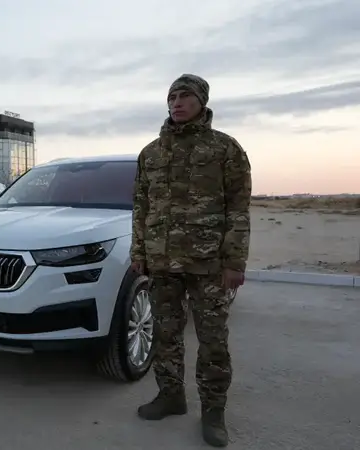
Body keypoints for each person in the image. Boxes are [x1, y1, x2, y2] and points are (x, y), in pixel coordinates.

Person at [130, 74, 251, 447]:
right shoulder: (151, 153)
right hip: (162, 262)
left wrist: (235, 262)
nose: (177, 103)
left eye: (185, 96)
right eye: (172, 97)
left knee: (212, 340)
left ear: (201, 101)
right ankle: (171, 396)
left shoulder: (225, 149)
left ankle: (213, 411)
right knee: (165, 335)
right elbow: (141, 207)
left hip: (208, 264)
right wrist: (139, 252)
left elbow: (238, 210)